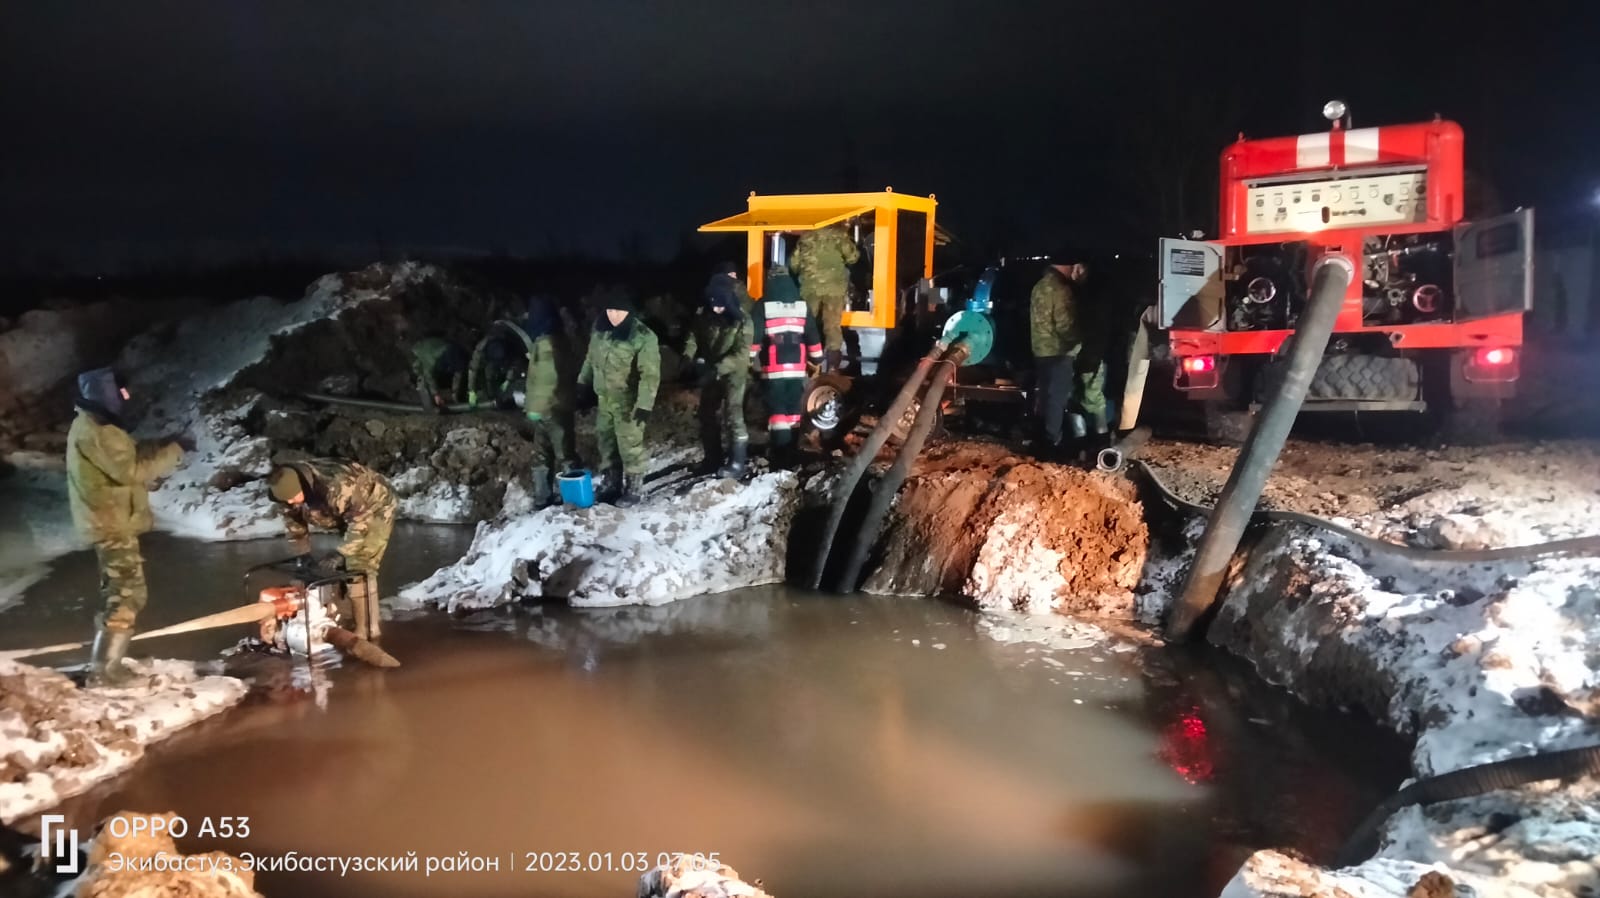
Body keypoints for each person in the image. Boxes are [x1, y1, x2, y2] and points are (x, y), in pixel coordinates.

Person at [65, 368, 185, 687]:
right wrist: (175, 451)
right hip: (111, 523)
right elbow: (130, 470)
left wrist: (164, 444)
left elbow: (127, 456)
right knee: (126, 593)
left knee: (122, 591)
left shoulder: (95, 426)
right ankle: (105, 672)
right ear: (106, 395)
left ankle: (106, 664)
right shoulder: (97, 431)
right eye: (121, 394)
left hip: (111, 520)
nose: (125, 399)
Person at [266, 459, 397, 642]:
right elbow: (295, 527)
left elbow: (360, 524)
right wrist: (302, 555)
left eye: (294, 497)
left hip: (375, 506)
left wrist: (341, 553)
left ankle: (368, 630)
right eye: (285, 500)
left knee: (359, 564)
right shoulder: (286, 492)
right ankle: (346, 615)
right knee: (331, 569)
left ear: (303, 487)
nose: (290, 501)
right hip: (343, 512)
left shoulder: (339, 485)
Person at [577, 293, 660, 507]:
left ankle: (633, 487)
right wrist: (582, 384)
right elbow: (590, 358)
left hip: (628, 401)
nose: (614, 315)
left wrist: (644, 404)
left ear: (629, 312)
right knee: (606, 440)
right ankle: (611, 482)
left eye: (619, 311)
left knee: (629, 443)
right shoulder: (600, 329)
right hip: (604, 399)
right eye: (610, 310)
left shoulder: (641, 336)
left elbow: (649, 374)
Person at [1030, 259, 1107, 457]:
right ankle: (1052, 444)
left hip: (1041, 351)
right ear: (1074, 266)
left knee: (1046, 397)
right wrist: (1082, 343)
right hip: (1060, 352)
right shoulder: (1062, 289)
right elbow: (1065, 327)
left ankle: (1042, 440)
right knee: (1058, 399)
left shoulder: (1040, 286)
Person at [751, 264, 823, 467]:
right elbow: (812, 333)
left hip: (775, 366)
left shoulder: (763, 304)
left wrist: (749, 358)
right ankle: (793, 451)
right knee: (794, 409)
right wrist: (817, 358)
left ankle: (780, 454)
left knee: (778, 412)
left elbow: (754, 335)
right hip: (798, 366)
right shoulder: (801, 304)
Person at [684, 275, 755, 478]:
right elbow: (693, 335)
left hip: (734, 372)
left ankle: (737, 462)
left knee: (733, 414)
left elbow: (741, 355)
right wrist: (688, 356)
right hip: (712, 370)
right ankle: (712, 458)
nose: (716, 309)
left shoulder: (743, 321)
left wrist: (717, 368)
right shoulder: (704, 316)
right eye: (713, 304)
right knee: (706, 413)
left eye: (720, 304)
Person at [789, 223, 860, 372]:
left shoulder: (805, 237)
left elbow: (793, 265)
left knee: (809, 325)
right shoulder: (839, 235)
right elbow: (853, 257)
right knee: (832, 326)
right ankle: (833, 368)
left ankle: (809, 365)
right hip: (834, 289)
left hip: (810, 289)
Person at [410, 336, 469, 411]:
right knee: (460, 371)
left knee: (459, 372)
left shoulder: (424, 355)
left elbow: (428, 375)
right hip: (453, 349)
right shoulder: (424, 347)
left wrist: (436, 395)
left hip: (448, 353)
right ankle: (457, 398)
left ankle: (457, 400)